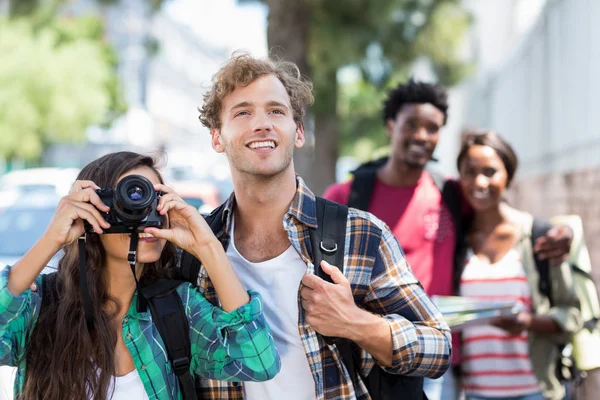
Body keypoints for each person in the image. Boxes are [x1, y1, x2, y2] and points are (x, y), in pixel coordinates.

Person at [193, 52, 451, 400]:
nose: (262, 123)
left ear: (298, 133)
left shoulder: (361, 235)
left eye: (276, 111)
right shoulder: (195, 249)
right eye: (242, 112)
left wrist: (354, 323)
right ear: (216, 138)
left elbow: (438, 346)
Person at [323, 79, 574, 400]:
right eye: (411, 124)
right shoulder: (348, 195)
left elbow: (506, 217)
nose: (421, 135)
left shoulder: (451, 194)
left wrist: (562, 233)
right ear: (390, 125)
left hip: (436, 360)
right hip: (371, 358)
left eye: (432, 127)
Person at [0, 151, 281, 399]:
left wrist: (207, 247)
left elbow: (259, 361)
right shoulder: (44, 304)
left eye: (153, 198)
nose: (143, 214)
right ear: (91, 209)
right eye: (128, 201)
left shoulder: (176, 309)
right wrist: (52, 239)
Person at [455, 130, 582, 400]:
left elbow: (572, 315)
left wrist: (528, 322)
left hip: (535, 391)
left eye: (490, 171)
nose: (479, 181)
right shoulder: (456, 242)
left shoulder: (540, 237)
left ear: (508, 176)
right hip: (474, 393)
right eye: (470, 171)